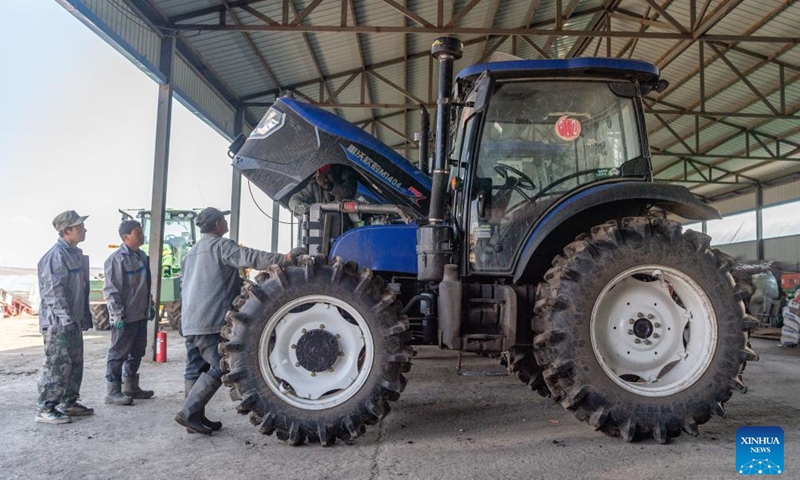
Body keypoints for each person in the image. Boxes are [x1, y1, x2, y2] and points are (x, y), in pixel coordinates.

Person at [175, 207, 304, 435]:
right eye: (223, 220)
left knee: (194, 368)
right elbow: (251, 258)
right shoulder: (221, 246)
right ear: (217, 225)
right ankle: (188, 412)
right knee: (219, 366)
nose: (226, 223)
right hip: (210, 321)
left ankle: (194, 417)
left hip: (190, 321)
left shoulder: (192, 252)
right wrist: (283, 259)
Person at [35, 210, 94, 424]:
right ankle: (45, 408)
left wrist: (81, 317)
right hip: (58, 324)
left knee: (75, 363)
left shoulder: (74, 254)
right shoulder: (56, 256)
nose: (84, 229)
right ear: (66, 231)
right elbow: (53, 293)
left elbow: (80, 290)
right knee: (56, 365)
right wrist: (66, 319)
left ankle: (69, 402)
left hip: (73, 321)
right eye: (79, 226)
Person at [102, 220, 156, 407]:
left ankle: (131, 386)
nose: (142, 236)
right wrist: (117, 316)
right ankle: (113, 392)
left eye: (141, 232)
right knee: (118, 353)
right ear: (126, 237)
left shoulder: (142, 256)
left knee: (137, 352)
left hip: (139, 315)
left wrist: (150, 305)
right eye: (137, 233)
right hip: (124, 317)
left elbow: (145, 286)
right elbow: (111, 291)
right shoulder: (116, 260)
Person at [288, 164, 357, 216]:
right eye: (322, 177)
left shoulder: (346, 176)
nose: (325, 180)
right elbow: (293, 201)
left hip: (348, 219)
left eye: (327, 175)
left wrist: (329, 186)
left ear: (334, 170)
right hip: (329, 226)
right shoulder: (314, 186)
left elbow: (348, 191)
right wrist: (312, 209)